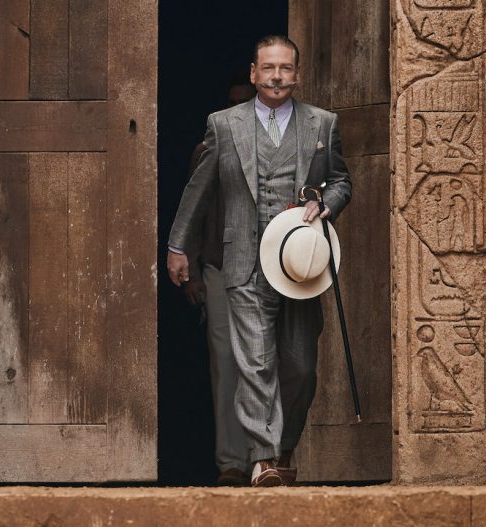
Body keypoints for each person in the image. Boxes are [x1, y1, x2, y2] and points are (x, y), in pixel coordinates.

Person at [167, 35, 352, 487]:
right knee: (255, 363)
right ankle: (265, 460)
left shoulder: (322, 124)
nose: (276, 76)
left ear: (298, 74)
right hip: (244, 264)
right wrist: (177, 245)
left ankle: (283, 447)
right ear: (253, 74)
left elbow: (341, 181)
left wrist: (327, 202)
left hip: (299, 268)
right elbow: (199, 190)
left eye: (285, 68)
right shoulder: (223, 125)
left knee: (302, 368)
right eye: (268, 68)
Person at [181, 75, 257, 486]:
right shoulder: (208, 149)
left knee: (268, 363)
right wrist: (191, 269)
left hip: (270, 270)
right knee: (226, 364)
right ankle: (231, 462)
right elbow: (194, 209)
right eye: (231, 104)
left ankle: (267, 458)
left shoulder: (281, 147)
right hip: (219, 267)